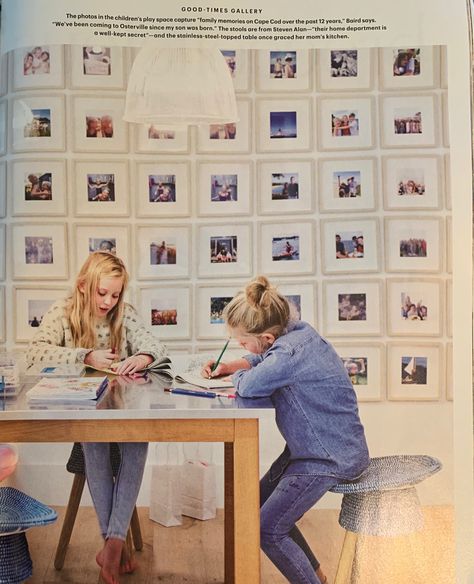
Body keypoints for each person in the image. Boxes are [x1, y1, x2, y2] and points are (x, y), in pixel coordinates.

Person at [201, 276, 369, 584]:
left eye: (242, 341)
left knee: (266, 529)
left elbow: (252, 385)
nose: (241, 346)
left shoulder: (286, 355)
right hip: (317, 449)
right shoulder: (297, 334)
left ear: (266, 336)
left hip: (327, 458)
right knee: (257, 505)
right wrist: (232, 365)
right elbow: (263, 357)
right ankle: (318, 575)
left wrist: (237, 376)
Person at [26, 252, 168, 584]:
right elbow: (34, 354)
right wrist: (85, 355)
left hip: (124, 412)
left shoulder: (124, 314)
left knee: (138, 441)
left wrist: (144, 356)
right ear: (83, 287)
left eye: (115, 294)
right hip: (84, 413)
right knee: (95, 440)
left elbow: (155, 346)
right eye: (101, 293)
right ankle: (116, 544)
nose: (108, 301)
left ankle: (112, 545)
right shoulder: (62, 314)